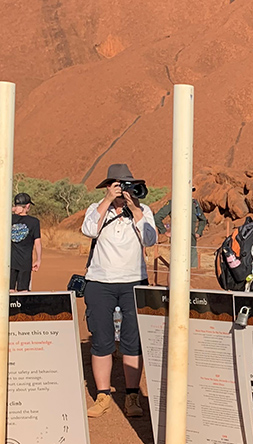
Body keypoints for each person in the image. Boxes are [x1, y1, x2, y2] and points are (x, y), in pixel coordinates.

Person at [81, 164, 158, 419]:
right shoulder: (96, 209)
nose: (124, 189)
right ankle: (103, 395)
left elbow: (150, 239)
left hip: (134, 281)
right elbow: (89, 230)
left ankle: (132, 395)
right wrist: (107, 199)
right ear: (108, 185)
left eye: (127, 184)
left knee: (132, 340)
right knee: (101, 339)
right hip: (100, 282)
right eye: (119, 185)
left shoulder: (143, 210)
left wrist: (135, 209)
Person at [155, 188, 208, 269]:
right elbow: (157, 217)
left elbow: (203, 220)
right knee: (177, 270)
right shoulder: (173, 203)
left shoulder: (194, 204)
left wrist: (199, 232)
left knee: (193, 271)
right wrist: (165, 231)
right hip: (177, 243)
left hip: (191, 243)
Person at [9, 192, 42, 292]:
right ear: (27, 206)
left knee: (8, 290)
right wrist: (38, 259)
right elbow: (37, 242)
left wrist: (12, 209)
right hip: (25, 261)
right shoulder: (34, 222)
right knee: (23, 291)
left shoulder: (8, 218)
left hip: (9, 261)